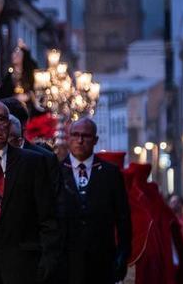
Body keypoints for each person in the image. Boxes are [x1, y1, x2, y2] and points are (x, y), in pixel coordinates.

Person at [0, 99, 59, 284]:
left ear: (10, 123)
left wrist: (47, 264)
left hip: (25, 266)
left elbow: (48, 218)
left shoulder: (34, 162)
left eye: (1, 119)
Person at [55, 118, 131, 284]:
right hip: (66, 263)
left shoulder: (110, 174)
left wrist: (123, 255)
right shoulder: (56, 173)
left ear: (95, 140)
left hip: (102, 262)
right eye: (75, 135)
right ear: (68, 138)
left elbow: (123, 219)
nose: (80, 140)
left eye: (86, 136)